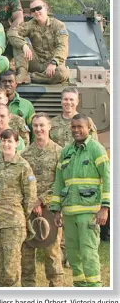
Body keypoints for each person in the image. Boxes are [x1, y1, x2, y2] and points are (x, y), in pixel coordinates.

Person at [50, 114, 110, 287]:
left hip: (89, 213)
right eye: (73, 127)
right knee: (74, 255)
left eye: (80, 127)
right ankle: (80, 289)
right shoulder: (66, 152)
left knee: (89, 253)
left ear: (89, 128)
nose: (76, 130)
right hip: (68, 214)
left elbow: (108, 179)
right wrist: (56, 209)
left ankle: (94, 290)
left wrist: (105, 208)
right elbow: (59, 182)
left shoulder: (96, 149)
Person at [0, 129, 37, 286]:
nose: (6, 144)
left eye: (10, 141)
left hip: (13, 223)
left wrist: (21, 216)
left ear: (17, 143)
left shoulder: (23, 166)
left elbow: (30, 196)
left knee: (11, 269)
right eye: (3, 140)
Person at [20, 113, 64, 287]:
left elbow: (61, 182)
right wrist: (32, 202)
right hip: (30, 209)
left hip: (51, 209)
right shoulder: (25, 153)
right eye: (35, 126)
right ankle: (28, 289)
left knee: (52, 252)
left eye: (41, 125)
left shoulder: (59, 152)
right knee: (27, 251)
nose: (38, 129)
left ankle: (56, 288)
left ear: (49, 127)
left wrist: (42, 200)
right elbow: (21, 182)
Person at [8, 0, 69, 84]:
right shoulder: (30, 24)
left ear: (45, 8)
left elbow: (62, 46)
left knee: (62, 73)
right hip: (36, 62)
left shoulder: (58, 25)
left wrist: (54, 62)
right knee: (18, 44)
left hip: (53, 64)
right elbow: (11, 33)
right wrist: (24, 45)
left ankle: (32, 77)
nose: (36, 12)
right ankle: (23, 74)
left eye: (38, 8)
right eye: (33, 10)